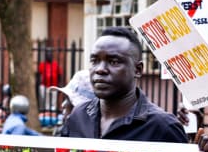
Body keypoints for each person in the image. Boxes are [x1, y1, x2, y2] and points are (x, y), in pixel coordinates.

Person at [58, 27, 186, 143]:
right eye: (95, 61)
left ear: (138, 70)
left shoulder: (163, 127)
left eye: (113, 62)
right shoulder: (78, 116)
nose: (100, 69)